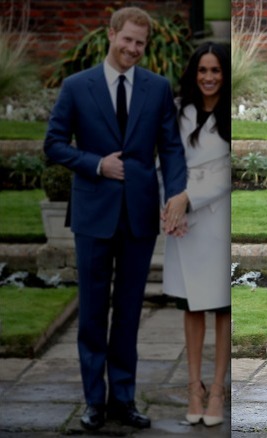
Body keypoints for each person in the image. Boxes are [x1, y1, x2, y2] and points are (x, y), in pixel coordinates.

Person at [43, 7, 188, 431]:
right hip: (92, 215)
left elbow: (172, 147)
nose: (133, 49)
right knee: (91, 313)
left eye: (140, 43)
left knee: (127, 313)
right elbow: (53, 144)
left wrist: (176, 193)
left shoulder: (157, 87)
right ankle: (93, 401)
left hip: (139, 217)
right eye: (127, 40)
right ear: (111, 35)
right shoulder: (76, 86)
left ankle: (123, 399)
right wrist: (94, 164)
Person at [159, 42, 231, 427]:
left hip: (217, 220)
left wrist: (188, 198)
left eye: (216, 70)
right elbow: (167, 159)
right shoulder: (179, 111)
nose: (208, 77)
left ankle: (218, 388)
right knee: (191, 305)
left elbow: (224, 174)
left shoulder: (228, 114)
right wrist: (172, 205)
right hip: (182, 220)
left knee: (221, 306)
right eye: (202, 70)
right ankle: (193, 386)